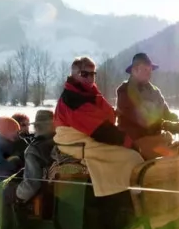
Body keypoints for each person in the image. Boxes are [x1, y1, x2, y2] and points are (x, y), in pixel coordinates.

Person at [53, 55, 142, 199]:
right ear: (74, 75)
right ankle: (124, 199)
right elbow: (100, 130)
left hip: (89, 134)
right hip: (77, 142)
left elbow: (102, 114)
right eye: (85, 74)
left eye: (93, 74)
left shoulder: (88, 91)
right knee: (132, 157)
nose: (90, 78)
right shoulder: (73, 99)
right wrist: (127, 142)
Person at [115, 51, 179, 160]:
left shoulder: (155, 91)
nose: (149, 72)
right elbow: (145, 121)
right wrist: (176, 127)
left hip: (156, 140)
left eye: (150, 69)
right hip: (136, 143)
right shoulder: (125, 92)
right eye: (145, 69)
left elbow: (168, 114)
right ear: (134, 70)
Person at [14, 108, 57, 204]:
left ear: (37, 127)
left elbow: (32, 183)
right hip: (58, 192)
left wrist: (17, 195)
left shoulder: (34, 149)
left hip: (44, 197)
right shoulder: (61, 142)